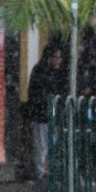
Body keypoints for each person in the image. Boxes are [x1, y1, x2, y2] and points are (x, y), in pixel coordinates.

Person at [26, 43, 67, 180]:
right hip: (41, 113)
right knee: (41, 144)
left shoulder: (53, 73)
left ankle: (46, 170)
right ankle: (40, 171)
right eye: (56, 57)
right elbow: (39, 94)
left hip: (49, 113)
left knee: (49, 144)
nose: (59, 60)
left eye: (60, 58)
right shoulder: (41, 71)